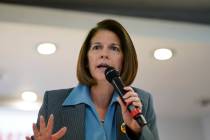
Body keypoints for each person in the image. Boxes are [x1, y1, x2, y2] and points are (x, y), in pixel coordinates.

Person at [26, 19, 159, 140]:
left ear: (124, 60)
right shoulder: (53, 102)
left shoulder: (142, 101)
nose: (104, 54)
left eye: (114, 48)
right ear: (86, 59)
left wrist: (136, 130)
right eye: (96, 47)